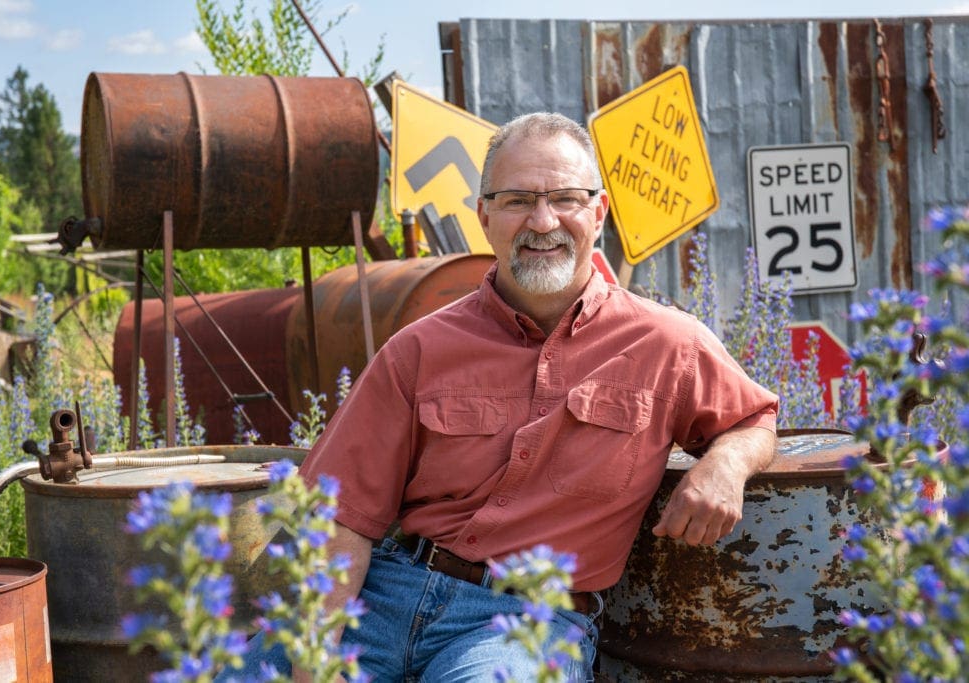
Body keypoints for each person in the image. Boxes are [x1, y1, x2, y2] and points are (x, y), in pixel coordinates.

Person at [224, 112, 778, 681]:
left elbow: (756, 417)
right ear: (484, 216)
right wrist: (311, 663)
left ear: (599, 212)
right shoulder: (417, 349)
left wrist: (725, 466)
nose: (543, 221)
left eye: (564, 198)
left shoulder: (668, 343)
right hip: (382, 599)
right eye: (517, 200)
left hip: (525, 625)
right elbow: (340, 518)